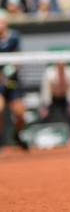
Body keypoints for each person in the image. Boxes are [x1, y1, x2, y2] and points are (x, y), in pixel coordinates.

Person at [38, 60, 70, 148]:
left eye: (63, 62)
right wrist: (45, 106)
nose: (61, 64)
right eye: (59, 62)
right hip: (52, 98)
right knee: (44, 118)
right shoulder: (49, 73)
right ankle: (37, 136)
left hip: (64, 98)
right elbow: (46, 89)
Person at [0, 11, 29, 150]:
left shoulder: (14, 37)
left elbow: (18, 57)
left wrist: (9, 71)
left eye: (2, 21)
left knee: (21, 114)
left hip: (13, 81)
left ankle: (17, 135)